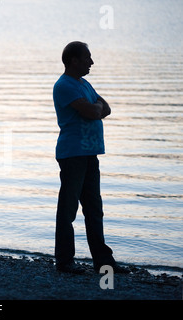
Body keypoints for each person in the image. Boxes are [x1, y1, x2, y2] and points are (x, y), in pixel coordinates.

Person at [52, 41, 129, 274]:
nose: (91, 62)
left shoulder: (83, 84)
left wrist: (96, 107)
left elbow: (106, 108)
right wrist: (96, 107)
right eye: (87, 58)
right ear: (74, 60)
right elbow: (93, 111)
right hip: (73, 154)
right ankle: (65, 262)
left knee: (94, 209)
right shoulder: (65, 85)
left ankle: (104, 263)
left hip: (89, 154)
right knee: (68, 210)